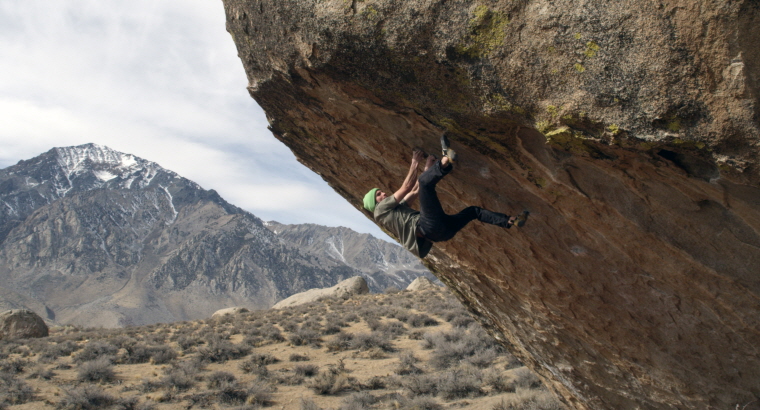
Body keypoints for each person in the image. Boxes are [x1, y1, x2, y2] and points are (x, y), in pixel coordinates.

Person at [363, 136, 528, 258]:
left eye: (381, 192)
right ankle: (445, 159)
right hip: (428, 226)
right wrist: (415, 162)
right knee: (426, 183)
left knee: (473, 211)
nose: (383, 193)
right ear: (374, 204)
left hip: (441, 233)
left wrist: (428, 166)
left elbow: (415, 191)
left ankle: (511, 221)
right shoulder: (380, 210)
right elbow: (406, 187)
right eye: (378, 195)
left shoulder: (394, 212)